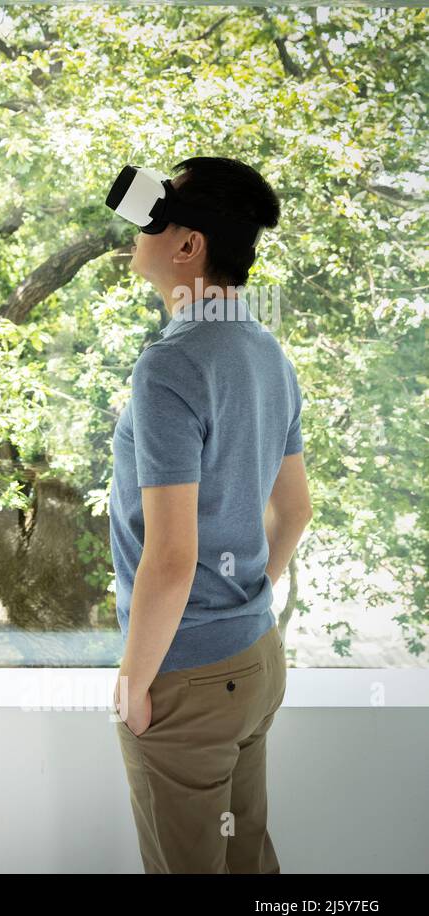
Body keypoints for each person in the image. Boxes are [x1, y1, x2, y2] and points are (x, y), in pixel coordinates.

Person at [107, 157, 313, 873]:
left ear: (188, 247)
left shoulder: (170, 364)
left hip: (187, 677)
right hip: (256, 659)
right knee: (249, 864)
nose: (139, 230)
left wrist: (135, 682)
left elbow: (169, 558)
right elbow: (296, 510)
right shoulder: (265, 351)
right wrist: (245, 598)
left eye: (158, 218)